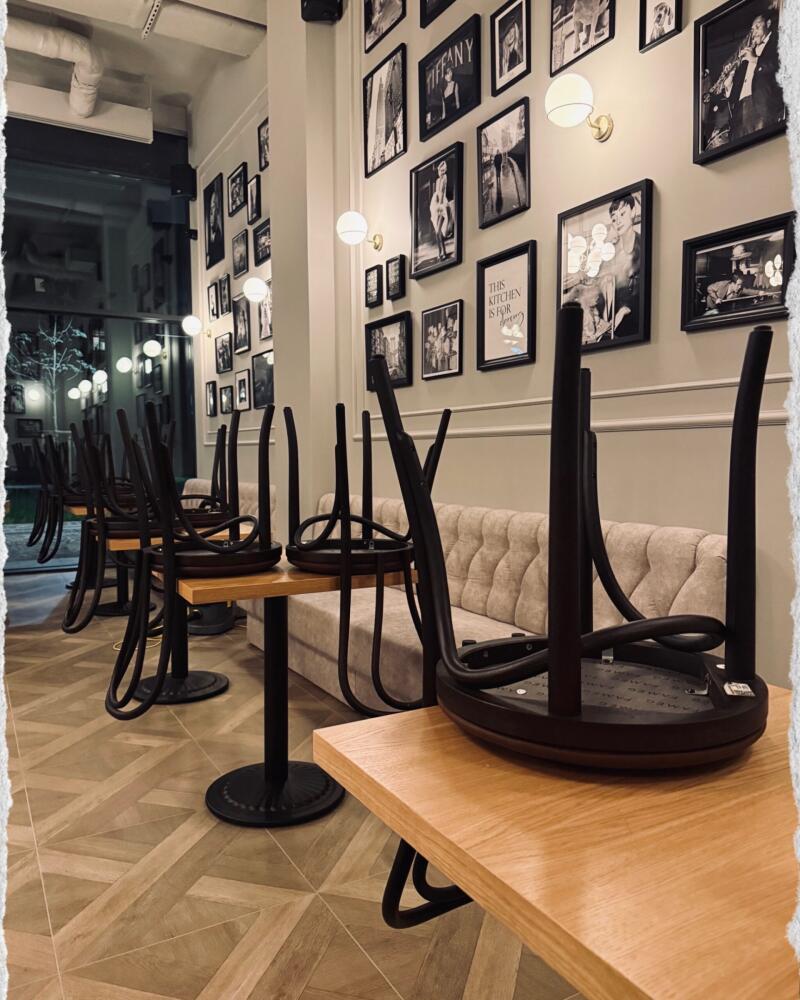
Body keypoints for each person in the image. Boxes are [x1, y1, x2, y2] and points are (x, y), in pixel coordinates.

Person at [730, 12, 781, 139]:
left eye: (757, 27)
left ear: (768, 23)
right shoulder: (750, 50)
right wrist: (730, 82)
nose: (754, 32)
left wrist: (755, 59)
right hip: (740, 108)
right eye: (752, 29)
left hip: (761, 105)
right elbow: (740, 82)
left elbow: (779, 64)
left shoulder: (778, 41)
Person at [603, 194, 641, 339]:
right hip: (613, 327)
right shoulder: (611, 253)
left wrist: (625, 309)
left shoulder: (642, 246)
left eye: (623, 214)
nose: (618, 221)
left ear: (633, 211)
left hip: (636, 324)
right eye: (614, 219)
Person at [429, 159, 452, 262]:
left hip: (442, 207)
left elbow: (442, 194)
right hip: (436, 206)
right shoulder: (438, 180)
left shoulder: (444, 179)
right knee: (437, 232)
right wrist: (436, 206)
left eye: (443, 170)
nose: (441, 172)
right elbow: (437, 194)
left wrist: (439, 207)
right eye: (440, 170)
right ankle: (442, 252)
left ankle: (442, 252)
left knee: (438, 231)